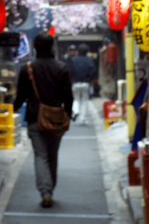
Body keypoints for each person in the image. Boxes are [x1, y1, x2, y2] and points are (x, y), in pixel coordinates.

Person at [13, 32, 74, 208]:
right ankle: (50, 189)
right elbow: (68, 97)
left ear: (35, 48)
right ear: (52, 47)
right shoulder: (61, 68)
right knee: (52, 155)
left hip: (34, 119)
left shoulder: (27, 69)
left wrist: (13, 107)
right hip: (56, 120)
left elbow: (21, 96)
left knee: (40, 155)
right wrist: (67, 116)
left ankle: (45, 192)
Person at [68, 44, 95, 124]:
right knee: (84, 101)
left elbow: (70, 71)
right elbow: (93, 70)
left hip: (75, 82)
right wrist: (89, 79)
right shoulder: (89, 60)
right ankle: (82, 119)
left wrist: (72, 79)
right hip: (86, 83)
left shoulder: (73, 59)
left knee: (76, 99)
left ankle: (76, 110)